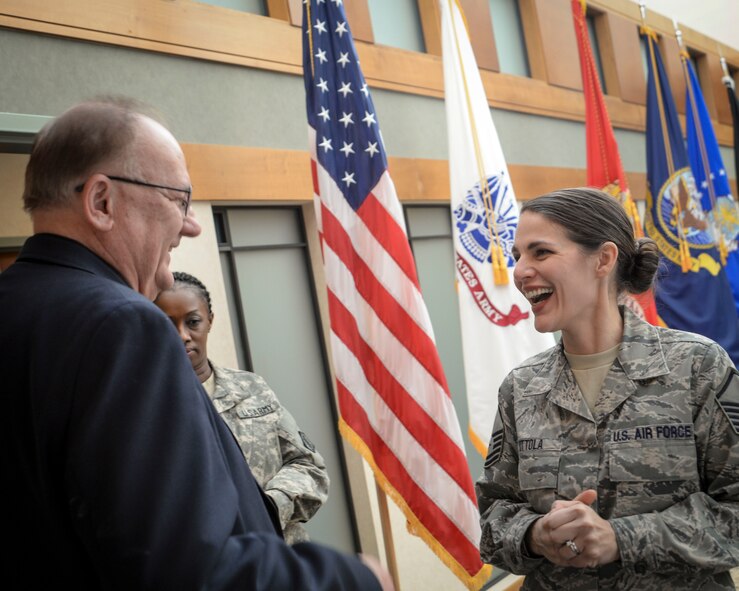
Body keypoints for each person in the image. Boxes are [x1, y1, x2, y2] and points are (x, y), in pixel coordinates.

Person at [1, 98, 391, 590]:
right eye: (177, 199)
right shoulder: (122, 326)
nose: (191, 224)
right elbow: (186, 571)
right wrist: (353, 578)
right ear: (102, 202)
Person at [476, 188, 739, 590]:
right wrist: (534, 535)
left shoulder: (696, 367)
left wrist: (622, 539)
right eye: (517, 256)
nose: (520, 271)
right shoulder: (521, 387)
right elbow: (494, 519)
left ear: (603, 259)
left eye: (541, 252)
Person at [155, 272, 329, 544]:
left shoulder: (251, 388)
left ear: (210, 321)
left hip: (281, 557)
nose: (183, 335)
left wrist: (269, 507)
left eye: (193, 322)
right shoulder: (148, 405)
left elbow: (309, 465)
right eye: (168, 325)